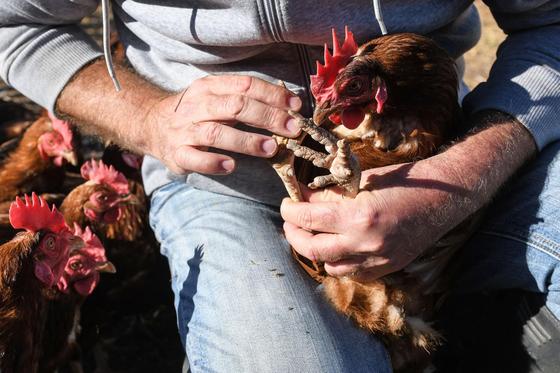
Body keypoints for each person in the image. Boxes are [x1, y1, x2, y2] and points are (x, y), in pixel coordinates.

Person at [0, 1, 559, 371]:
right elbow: (13, 23)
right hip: (225, 185)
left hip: (450, 143)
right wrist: (151, 118)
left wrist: (453, 180)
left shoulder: (422, 125)